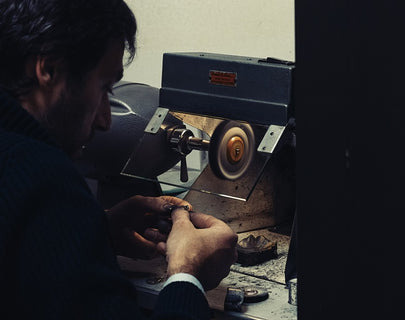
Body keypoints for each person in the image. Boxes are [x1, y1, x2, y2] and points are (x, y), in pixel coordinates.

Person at [0, 0, 238, 319]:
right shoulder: (46, 183)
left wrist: (98, 229)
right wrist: (186, 273)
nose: (105, 121)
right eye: (103, 89)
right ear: (49, 69)